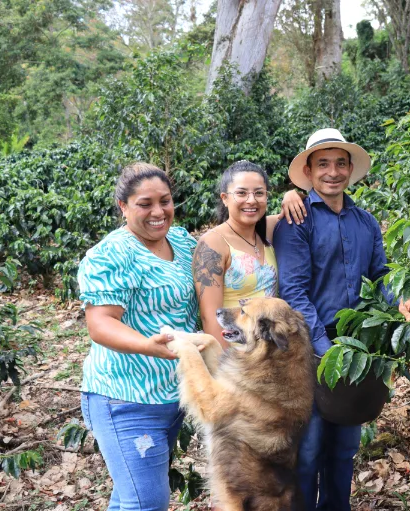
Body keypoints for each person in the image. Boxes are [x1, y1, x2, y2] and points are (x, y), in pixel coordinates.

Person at [273, 128, 410, 511]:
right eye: (323, 164)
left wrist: (402, 300)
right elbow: (295, 293)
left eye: (340, 163)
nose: (333, 172)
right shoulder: (297, 220)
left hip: (358, 348)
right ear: (309, 171)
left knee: (344, 450)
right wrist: (328, 352)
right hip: (309, 349)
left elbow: (380, 277)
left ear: (350, 169)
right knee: (308, 451)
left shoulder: (366, 223)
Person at [78, 162, 197, 511]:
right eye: (145, 203)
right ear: (123, 207)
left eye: (165, 200)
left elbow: (228, 239)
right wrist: (149, 346)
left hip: (170, 397)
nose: (158, 212)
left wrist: (282, 211)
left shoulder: (181, 240)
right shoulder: (111, 254)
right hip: (124, 400)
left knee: (132, 497)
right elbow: (101, 323)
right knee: (147, 502)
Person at [192, 160, 307, 347]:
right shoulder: (213, 243)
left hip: (270, 353)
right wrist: (228, 369)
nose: (251, 200)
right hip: (235, 358)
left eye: (259, 193)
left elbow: (302, 206)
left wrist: (292, 194)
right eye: (241, 193)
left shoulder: (271, 229)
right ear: (225, 198)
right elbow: (209, 318)